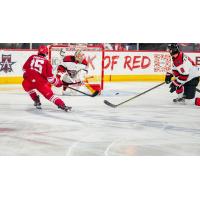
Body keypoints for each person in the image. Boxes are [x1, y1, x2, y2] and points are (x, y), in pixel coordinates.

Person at [22, 45, 72, 112]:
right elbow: (50, 79)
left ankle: (36, 100)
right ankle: (62, 105)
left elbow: (24, 69)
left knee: (28, 88)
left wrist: (28, 76)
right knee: (50, 96)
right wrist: (58, 83)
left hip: (27, 82)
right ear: (46, 53)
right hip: (40, 83)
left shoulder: (32, 57)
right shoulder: (46, 62)